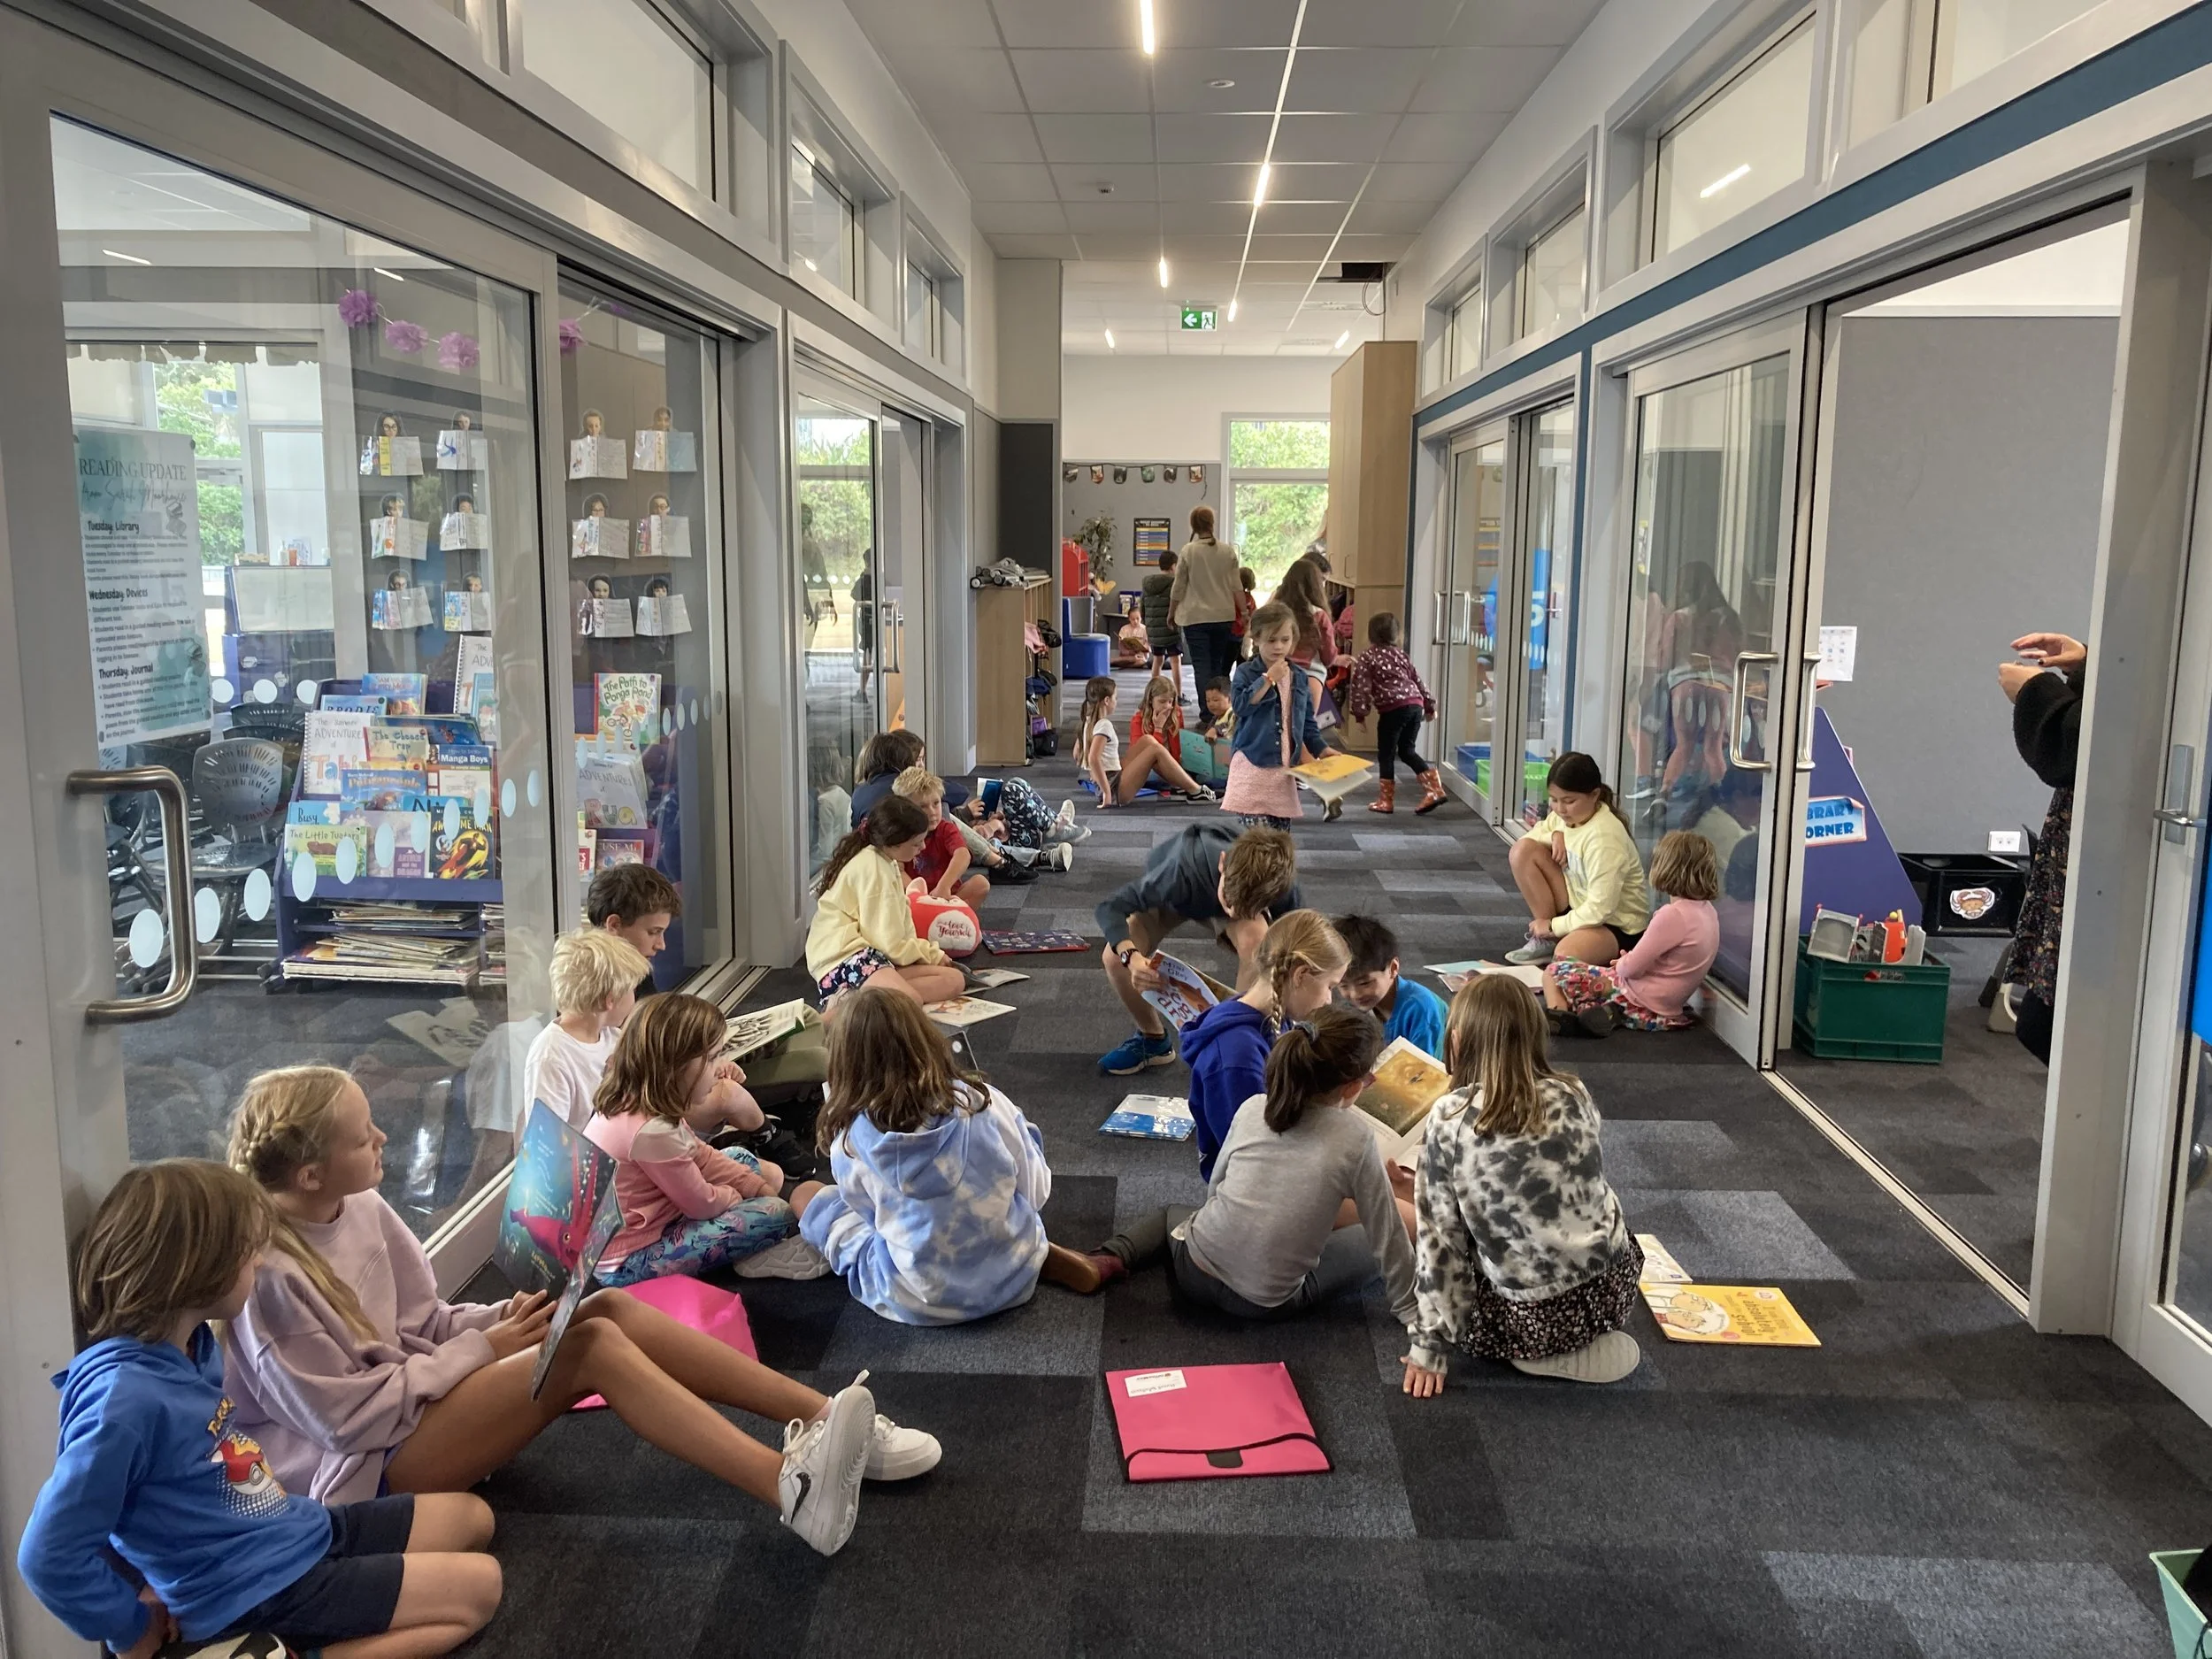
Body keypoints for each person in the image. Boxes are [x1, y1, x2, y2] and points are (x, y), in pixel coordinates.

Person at [220, 1067, 933, 1557]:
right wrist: (481, 1348)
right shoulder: (270, 1279)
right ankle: (789, 1487)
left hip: (411, 1405)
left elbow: (427, 1322)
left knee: (605, 1307)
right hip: (363, 1467)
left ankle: (830, 1420)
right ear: (310, 1173)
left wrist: (505, 1316)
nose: (382, 1139)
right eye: (362, 1136)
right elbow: (344, 1422)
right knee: (586, 1351)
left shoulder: (363, 1204)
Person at [17, 1160, 504, 1659]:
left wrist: (142, 1576)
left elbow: (127, 1500)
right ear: (198, 1270)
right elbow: (48, 1553)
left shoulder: (192, 1346)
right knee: (480, 1591)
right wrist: (128, 1625)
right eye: (249, 1253)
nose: (260, 1262)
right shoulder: (121, 1402)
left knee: (474, 1518)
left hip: (291, 1527)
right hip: (251, 1590)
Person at [1079, 1007, 1418, 1333]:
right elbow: (1386, 1234)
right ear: (1352, 1086)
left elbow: (1218, 1186)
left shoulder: (1255, 1106)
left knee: (1173, 1212)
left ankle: (1110, 1256)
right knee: (1393, 1231)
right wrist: (1411, 1313)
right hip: (1264, 1303)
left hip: (1193, 1270)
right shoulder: (1355, 1137)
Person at [800, 987, 1101, 1320]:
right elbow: (1036, 1192)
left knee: (809, 1197)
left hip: (920, 1299)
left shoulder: (848, 1142)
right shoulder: (982, 1102)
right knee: (1021, 1138)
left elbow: (874, 1222)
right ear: (926, 1038)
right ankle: (1025, 1252)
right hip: (1017, 1275)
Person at [1401, 978, 1644, 1390]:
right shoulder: (1573, 1091)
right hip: (1614, 1285)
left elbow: (1441, 1244)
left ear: (1457, 1041)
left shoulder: (1450, 1118)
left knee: (1441, 1246)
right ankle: (1578, 1337)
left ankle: (1542, 1352)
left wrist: (1430, 1347)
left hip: (1535, 1318)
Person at [588, 994, 826, 1284]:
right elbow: (701, 1204)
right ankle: (751, 1255)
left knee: (741, 1160)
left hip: (647, 1216)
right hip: (627, 1261)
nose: (719, 1068)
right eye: (712, 1058)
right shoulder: (653, 1132)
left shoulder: (640, 1101)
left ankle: (746, 1236)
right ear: (676, 1067)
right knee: (775, 1213)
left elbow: (701, 1155)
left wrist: (756, 1186)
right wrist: (737, 1196)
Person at [1094, 823, 1302, 1074]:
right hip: (1183, 892)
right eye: (1230, 901)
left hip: (1239, 891)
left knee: (1259, 943)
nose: (1232, 912)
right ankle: (1152, 1040)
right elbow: (1110, 907)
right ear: (1222, 863)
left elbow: (1300, 947)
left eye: (1242, 909)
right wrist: (1131, 957)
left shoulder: (1283, 889)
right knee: (1114, 957)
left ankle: (1242, 1046)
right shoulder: (1177, 873)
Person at [1181, 910, 1349, 1179]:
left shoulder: (1275, 1016)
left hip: (1277, 1155)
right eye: (1330, 986)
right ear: (1301, 975)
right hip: (1251, 1186)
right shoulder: (1236, 1058)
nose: (1330, 1000)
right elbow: (1254, 1154)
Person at [2001, 629, 2086, 1064]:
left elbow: (2106, 739)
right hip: (2082, 845)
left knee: (2049, 1024)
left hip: (2115, 859)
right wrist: (2085, 665)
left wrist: (2036, 694)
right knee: (2041, 1021)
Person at [1544, 829, 1719, 1038]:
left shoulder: (1672, 916)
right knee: (1593, 983)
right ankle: (1605, 1013)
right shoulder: (1708, 912)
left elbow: (1631, 970)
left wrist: (1623, 963)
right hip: (1670, 1008)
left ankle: (1561, 1016)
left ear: (1664, 868)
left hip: (1639, 996)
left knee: (1555, 971)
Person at [806, 795, 966, 1009]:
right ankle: (841, 1009)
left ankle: (868, 997)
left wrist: (930, 955)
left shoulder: (887, 861)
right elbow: (889, 943)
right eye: (916, 843)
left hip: (871, 953)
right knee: (911, 1000)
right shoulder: (874, 868)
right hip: (842, 959)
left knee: (954, 980)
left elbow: (900, 931)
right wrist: (930, 954)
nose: (922, 848)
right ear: (895, 842)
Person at [1506, 752, 1651, 967]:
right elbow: (1528, 839)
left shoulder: (1605, 838)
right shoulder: (1564, 816)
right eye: (1554, 800)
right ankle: (1547, 941)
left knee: (1564, 959)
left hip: (1616, 926)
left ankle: (1555, 936)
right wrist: (1554, 836)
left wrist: (1554, 925)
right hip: (1578, 904)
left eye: (1569, 801)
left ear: (1594, 795)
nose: (1560, 809)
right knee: (1523, 851)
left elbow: (1601, 909)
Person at [521, 930, 656, 1131]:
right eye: (632, 990)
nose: (634, 997)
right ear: (610, 1000)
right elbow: (548, 1138)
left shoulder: (613, 1036)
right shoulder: (551, 1056)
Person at [1222, 602, 1331, 829]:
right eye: (1271, 640)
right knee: (1257, 842)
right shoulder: (1245, 672)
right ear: (1257, 639)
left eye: (1285, 639)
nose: (1278, 647)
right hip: (1252, 764)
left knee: (1280, 843)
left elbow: (1306, 723)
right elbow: (1241, 707)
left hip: (1282, 771)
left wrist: (1323, 749)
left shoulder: (1299, 677)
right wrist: (1268, 679)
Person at [1347, 612, 1446, 815]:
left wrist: (1360, 714)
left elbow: (1361, 687)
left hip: (1393, 709)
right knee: (1407, 750)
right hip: (1414, 705)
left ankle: (1386, 801)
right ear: (1397, 634)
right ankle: (1434, 789)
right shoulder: (1401, 654)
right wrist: (1429, 706)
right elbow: (1417, 680)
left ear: (1370, 635)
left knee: (1386, 754)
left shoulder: (1368, 656)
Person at [1077, 674, 1214, 807]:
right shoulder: (1104, 724)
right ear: (1107, 701)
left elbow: (1077, 753)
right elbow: (1093, 758)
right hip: (1112, 789)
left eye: (1170, 702)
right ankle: (1196, 791)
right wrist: (1106, 791)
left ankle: (1183, 784)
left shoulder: (1088, 721)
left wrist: (1094, 774)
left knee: (1148, 740)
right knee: (1155, 750)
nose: (1167, 706)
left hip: (1111, 778)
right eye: (1116, 698)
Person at [1334, 913, 1447, 1056]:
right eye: (1343, 985)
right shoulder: (1356, 1007)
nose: (1355, 994)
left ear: (1393, 968)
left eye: (1364, 983)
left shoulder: (1421, 1009)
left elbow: (1424, 1072)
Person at [893, 764, 992, 907]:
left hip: (948, 897)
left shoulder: (946, 828)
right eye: (923, 806)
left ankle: (957, 924)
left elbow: (963, 855)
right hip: (917, 900)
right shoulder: (901, 834)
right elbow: (898, 870)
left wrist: (943, 886)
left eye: (936, 803)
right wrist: (921, 898)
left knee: (981, 884)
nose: (932, 812)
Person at [1168, 504, 1242, 695]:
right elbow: (1237, 586)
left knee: (1201, 666)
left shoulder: (1188, 551)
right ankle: (1219, 710)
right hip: (1223, 616)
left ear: (1193, 525)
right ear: (1212, 524)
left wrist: (1171, 612)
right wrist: (1245, 612)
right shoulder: (1227, 551)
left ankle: (1206, 710)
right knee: (1218, 665)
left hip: (1194, 618)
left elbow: (1179, 587)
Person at [587, 863, 682, 995]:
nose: (661, 945)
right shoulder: (595, 990)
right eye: (653, 932)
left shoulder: (638, 972)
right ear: (614, 925)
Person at [1274, 557, 1338, 680]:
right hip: (1311, 674)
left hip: (1277, 670)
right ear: (1315, 585)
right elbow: (1328, 656)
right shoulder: (1319, 615)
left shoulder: (1274, 610)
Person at [1141, 549, 1184, 695]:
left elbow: (1142, 607)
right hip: (1170, 628)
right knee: (1175, 661)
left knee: (1157, 660)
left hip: (1153, 629)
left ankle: (1153, 693)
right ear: (1173, 566)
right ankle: (1178, 694)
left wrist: (1148, 624)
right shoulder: (1174, 583)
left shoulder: (1147, 583)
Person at [1232, 566, 1257, 661]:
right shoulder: (1250, 599)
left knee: (1225, 666)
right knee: (1242, 661)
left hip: (1231, 633)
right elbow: (1254, 615)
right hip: (1244, 635)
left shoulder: (1232, 598)